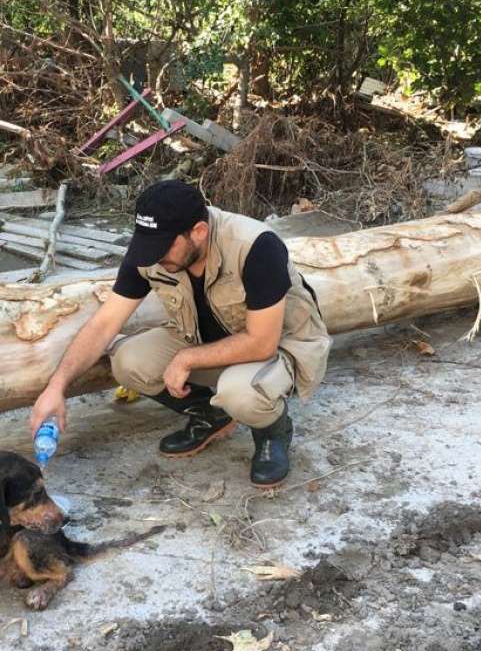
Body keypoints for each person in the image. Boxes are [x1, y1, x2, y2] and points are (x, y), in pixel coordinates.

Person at [29, 179, 330, 488]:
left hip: (279, 347)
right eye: (149, 246)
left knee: (241, 393)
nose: (155, 257)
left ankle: (272, 431)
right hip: (203, 338)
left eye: (163, 248)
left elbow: (262, 343)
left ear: (198, 231)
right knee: (128, 361)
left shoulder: (256, 245)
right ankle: (211, 416)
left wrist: (188, 358)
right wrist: (57, 387)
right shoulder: (152, 248)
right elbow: (103, 324)